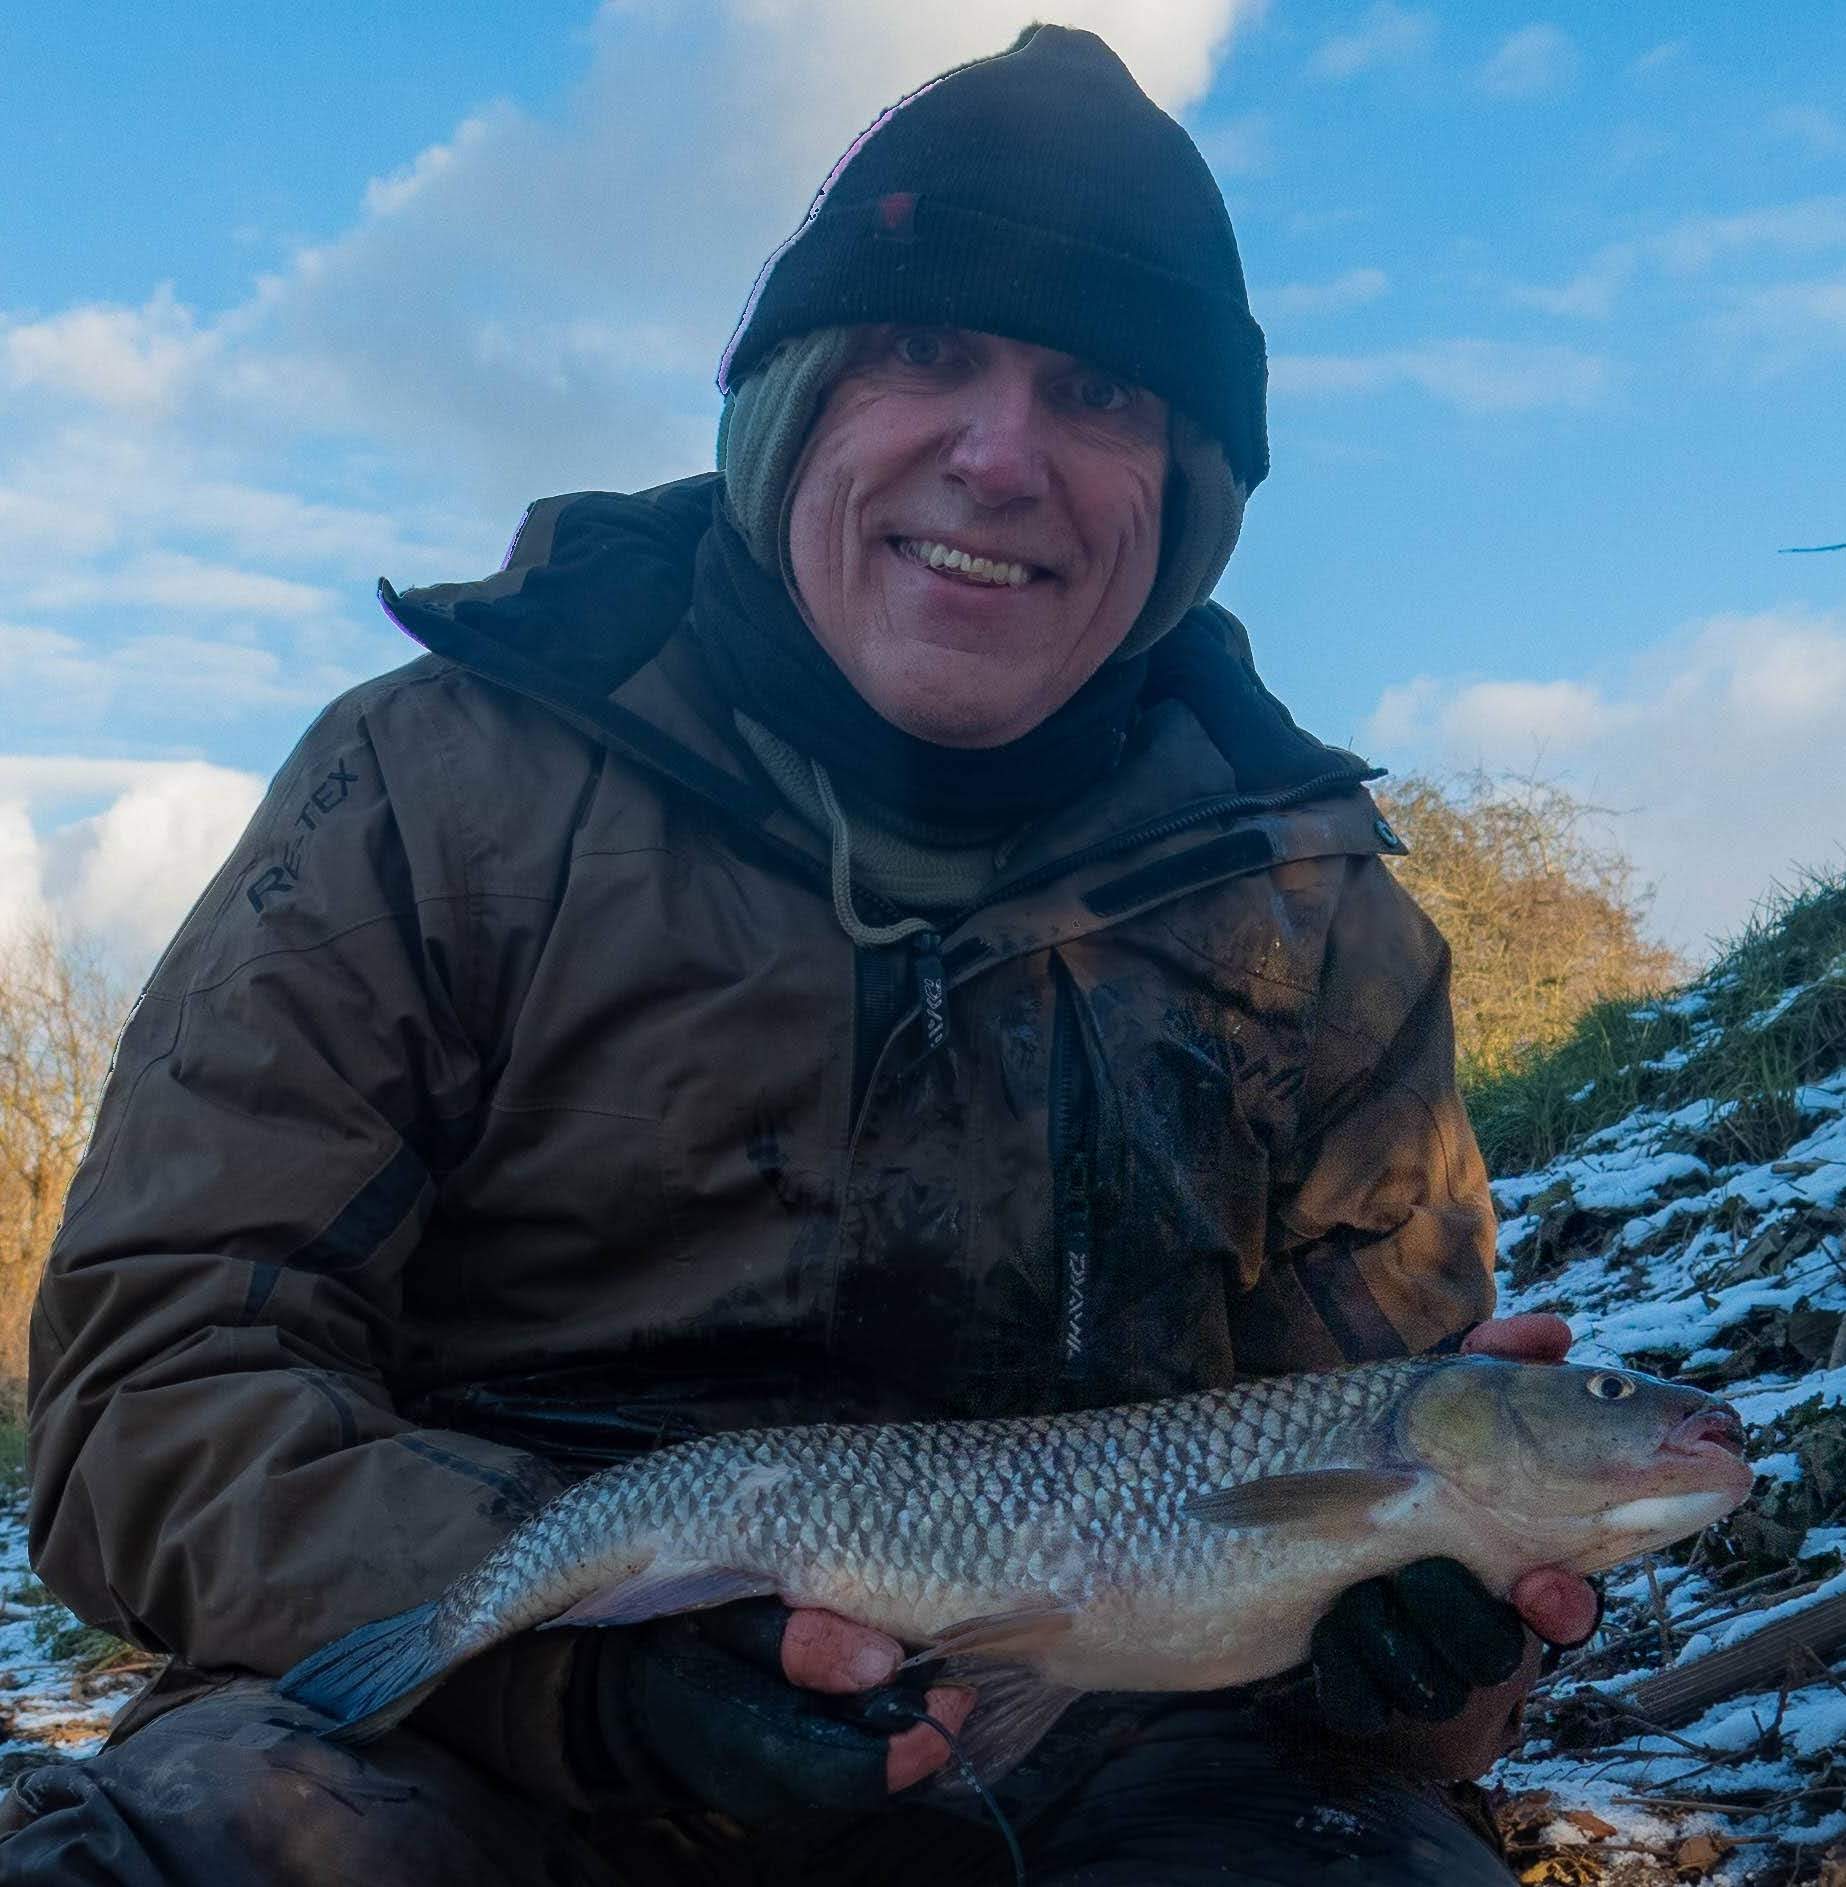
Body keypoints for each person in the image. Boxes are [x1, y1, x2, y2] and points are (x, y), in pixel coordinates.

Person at [1, 26, 1597, 1885]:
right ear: (789, 414)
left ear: (1184, 501)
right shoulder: (428, 783)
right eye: (924, 356)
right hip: (479, 1709)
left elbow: (1395, 1563)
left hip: (1101, 1753)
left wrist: (1426, 1669)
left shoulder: (1327, 929)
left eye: (1097, 391)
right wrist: (584, 1676)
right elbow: (155, 1382)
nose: (1001, 457)